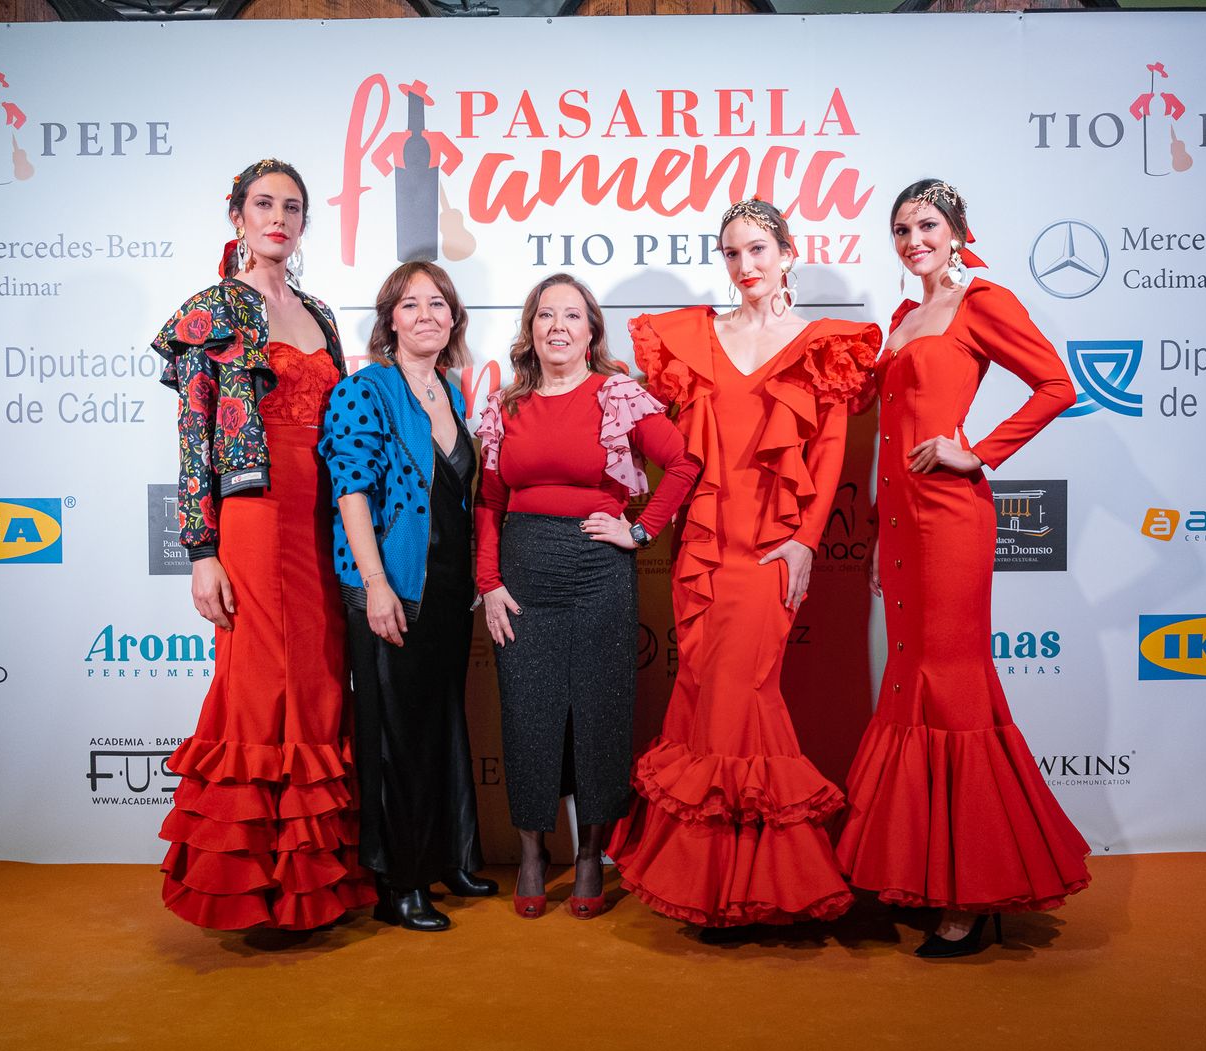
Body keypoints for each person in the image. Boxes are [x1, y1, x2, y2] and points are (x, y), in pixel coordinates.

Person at [605, 200, 881, 931]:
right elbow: (664, 444)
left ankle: (736, 878)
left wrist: (806, 542)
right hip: (701, 550)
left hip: (770, 550)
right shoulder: (693, 338)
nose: (745, 264)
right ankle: (733, 879)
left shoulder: (823, 345)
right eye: (731, 252)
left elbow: (828, 453)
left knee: (742, 691)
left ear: (788, 253)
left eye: (758, 249)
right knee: (701, 692)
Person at [834, 179, 1092, 958]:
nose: (914, 240)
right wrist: (877, 536)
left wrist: (978, 451)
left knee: (952, 688)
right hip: (901, 526)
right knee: (911, 686)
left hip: (951, 519)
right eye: (902, 228)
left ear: (956, 232)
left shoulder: (984, 301)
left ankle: (972, 893)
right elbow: (886, 435)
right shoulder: (903, 318)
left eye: (927, 225)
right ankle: (928, 868)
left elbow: (1057, 384)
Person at [154, 158, 375, 930]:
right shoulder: (211, 310)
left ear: (304, 222)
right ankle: (253, 888)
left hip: (326, 519)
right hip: (254, 517)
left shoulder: (321, 313)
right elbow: (193, 437)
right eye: (263, 204)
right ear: (238, 216)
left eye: (292, 207)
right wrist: (201, 552)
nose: (278, 218)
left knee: (319, 679)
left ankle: (314, 880)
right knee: (260, 683)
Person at [474, 274, 698, 920]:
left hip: (599, 570)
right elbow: (488, 503)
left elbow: (683, 464)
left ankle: (593, 854)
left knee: (601, 713)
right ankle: (532, 854)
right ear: (530, 328)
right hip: (523, 573)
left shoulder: (617, 395)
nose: (558, 327)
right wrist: (489, 583)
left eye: (572, 315)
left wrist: (641, 530)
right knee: (527, 715)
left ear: (592, 330)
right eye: (546, 315)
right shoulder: (505, 406)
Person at [319, 261, 497, 932]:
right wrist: (374, 586)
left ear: (454, 319)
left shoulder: (449, 391)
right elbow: (351, 492)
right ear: (389, 319)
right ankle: (400, 883)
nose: (427, 314)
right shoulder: (365, 390)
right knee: (396, 736)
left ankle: (450, 857)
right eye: (411, 304)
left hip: (447, 588)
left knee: (443, 722)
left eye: (438, 304)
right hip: (390, 587)